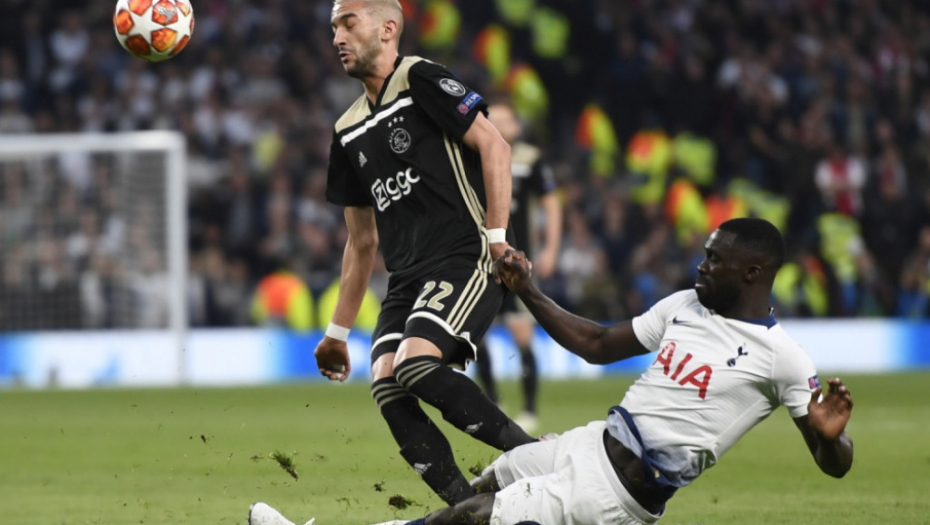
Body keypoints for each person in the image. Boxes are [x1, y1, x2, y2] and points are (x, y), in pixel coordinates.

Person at [250, 218, 854, 525]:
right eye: (704, 255)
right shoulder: (685, 306)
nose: (701, 267)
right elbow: (596, 342)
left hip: (616, 493)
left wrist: (832, 441)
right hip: (589, 444)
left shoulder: (782, 357)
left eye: (714, 260)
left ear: (752, 273)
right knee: (481, 492)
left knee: (472, 519)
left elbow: (834, 464)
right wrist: (529, 291)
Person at [313, 0, 537, 507]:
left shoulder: (420, 79)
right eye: (333, 28)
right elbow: (361, 241)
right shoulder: (346, 130)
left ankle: (539, 460)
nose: (338, 37)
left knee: (414, 365)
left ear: (387, 28)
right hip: (406, 279)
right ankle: (468, 511)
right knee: (387, 384)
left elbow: (495, 147)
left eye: (348, 23)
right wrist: (337, 333)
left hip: (465, 256)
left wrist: (496, 238)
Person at [474, 100, 563, 434]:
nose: (498, 124)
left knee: (521, 333)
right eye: (492, 118)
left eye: (504, 119)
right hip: (482, 261)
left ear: (516, 126)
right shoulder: (474, 154)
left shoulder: (529, 159)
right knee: (476, 334)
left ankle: (529, 409)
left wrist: (551, 248)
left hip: (516, 261)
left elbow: (551, 203)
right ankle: (493, 401)